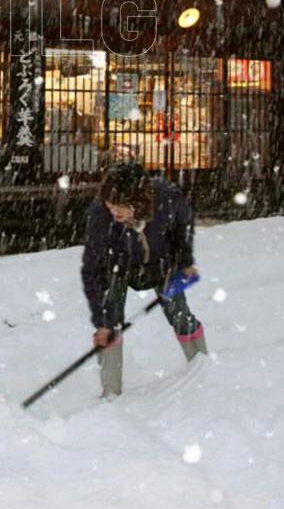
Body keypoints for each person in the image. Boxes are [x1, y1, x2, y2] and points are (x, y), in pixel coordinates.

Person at [81, 160, 207, 398]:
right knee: (110, 322)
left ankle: (203, 369)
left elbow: (184, 224)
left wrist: (185, 262)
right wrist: (102, 320)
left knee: (179, 314)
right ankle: (110, 392)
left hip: (161, 262)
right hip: (118, 266)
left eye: (119, 205)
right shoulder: (99, 215)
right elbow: (92, 269)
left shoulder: (167, 197)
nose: (113, 211)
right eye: (110, 204)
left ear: (137, 202)